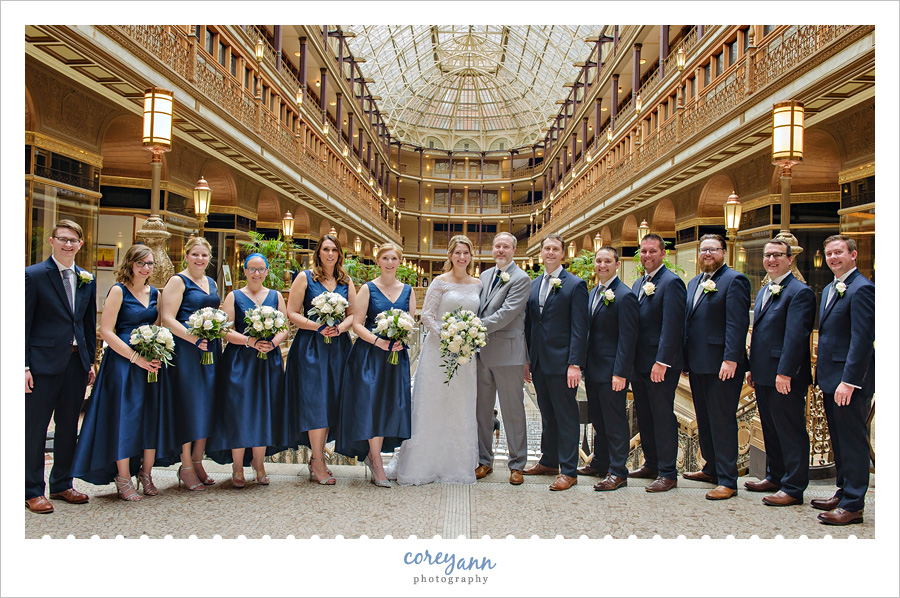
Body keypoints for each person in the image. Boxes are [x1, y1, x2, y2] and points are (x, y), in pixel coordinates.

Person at [385, 235, 482, 485]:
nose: (462, 257)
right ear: (450, 255)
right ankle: (422, 464)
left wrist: (464, 341)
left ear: (471, 256)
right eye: (458, 252)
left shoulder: (478, 284)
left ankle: (456, 465)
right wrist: (449, 337)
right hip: (438, 351)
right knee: (433, 404)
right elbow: (426, 316)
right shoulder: (439, 282)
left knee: (460, 406)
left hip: (465, 357)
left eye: (466, 253)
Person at [71, 245, 162, 501]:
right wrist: (135, 357)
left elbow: (157, 327)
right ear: (130, 264)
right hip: (122, 364)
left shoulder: (154, 292)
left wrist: (156, 353)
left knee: (149, 417)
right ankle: (122, 476)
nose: (146, 268)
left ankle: (145, 472)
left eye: (150, 264)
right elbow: (106, 331)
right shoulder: (118, 290)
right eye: (141, 263)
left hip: (149, 363)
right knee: (125, 417)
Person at [25, 219, 97, 514]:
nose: (68, 244)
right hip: (41, 364)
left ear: (80, 245)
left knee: (69, 426)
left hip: (75, 364)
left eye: (73, 240)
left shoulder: (86, 279)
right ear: (52, 241)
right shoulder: (34, 276)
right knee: (35, 428)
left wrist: (89, 361)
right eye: (63, 239)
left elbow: (87, 323)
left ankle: (62, 483)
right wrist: (23, 366)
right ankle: (31, 490)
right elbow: (23, 323)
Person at [206, 253, 291, 487]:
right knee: (238, 412)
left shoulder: (275, 296)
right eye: (251, 269)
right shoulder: (234, 296)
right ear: (244, 271)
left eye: (260, 269)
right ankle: (236, 466)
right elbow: (224, 329)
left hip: (268, 361)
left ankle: (259, 463)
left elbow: (284, 327)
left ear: (266, 271)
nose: (256, 273)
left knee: (265, 411)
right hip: (240, 362)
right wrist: (249, 341)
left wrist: (273, 343)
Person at [335, 243, 415, 487]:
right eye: (385, 258)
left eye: (394, 258)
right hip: (369, 357)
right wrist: (379, 341)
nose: (390, 262)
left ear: (399, 262)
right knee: (371, 405)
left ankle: (374, 456)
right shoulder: (368, 289)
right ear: (378, 261)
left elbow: (410, 324)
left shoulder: (408, 290)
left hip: (394, 359)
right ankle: (377, 461)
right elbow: (357, 324)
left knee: (388, 407)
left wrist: (402, 337)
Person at [745, 239, 815, 506]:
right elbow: (760, 334)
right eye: (767, 255)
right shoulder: (765, 291)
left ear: (789, 259)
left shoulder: (799, 292)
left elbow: (796, 337)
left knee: (790, 429)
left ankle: (794, 486)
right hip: (763, 373)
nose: (771, 260)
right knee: (770, 428)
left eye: (777, 255)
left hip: (784, 376)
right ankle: (775, 476)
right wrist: (752, 368)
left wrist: (784, 373)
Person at [682, 234, 750, 500]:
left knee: (721, 421)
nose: (707, 254)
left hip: (723, 365)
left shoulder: (734, 280)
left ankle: (727, 479)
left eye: (713, 249)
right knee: (705, 419)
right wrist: (686, 361)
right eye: (703, 250)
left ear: (724, 252)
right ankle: (710, 468)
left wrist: (731, 358)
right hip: (698, 364)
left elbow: (737, 323)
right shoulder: (694, 282)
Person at [813, 235, 874, 526]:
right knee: (838, 438)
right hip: (829, 377)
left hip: (849, 381)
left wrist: (849, 381)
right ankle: (842, 489)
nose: (833, 258)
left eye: (838, 252)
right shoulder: (829, 288)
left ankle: (853, 505)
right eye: (829, 254)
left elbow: (862, 340)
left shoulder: (863, 289)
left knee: (853, 441)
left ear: (853, 255)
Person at [286, 234, 356, 485]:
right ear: (318, 252)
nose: (330, 254)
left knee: (331, 401)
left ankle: (318, 457)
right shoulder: (305, 277)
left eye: (334, 250)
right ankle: (317, 459)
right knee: (315, 401)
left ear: (339, 254)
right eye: (325, 249)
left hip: (337, 347)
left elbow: (353, 316)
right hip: (310, 349)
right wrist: (316, 326)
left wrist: (340, 328)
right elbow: (291, 312)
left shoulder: (346, 281)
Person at [522, 234, 589, 491]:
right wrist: (527, 359)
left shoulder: (575, 285)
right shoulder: (534, 284)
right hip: (539, 361)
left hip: (563, 363)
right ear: (541, 253)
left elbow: (579, 328)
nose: (550, 252)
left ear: (563, 254)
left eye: (555, 249)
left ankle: (569, 470)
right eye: (546, 248)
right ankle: (548, 461)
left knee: (566, 415)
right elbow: (530, 325)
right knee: (547, 414)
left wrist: (575, 364)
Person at [158, 236, 221, 490]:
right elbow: (167, 318)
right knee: (188, 405)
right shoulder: (177, 281)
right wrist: (192, 337)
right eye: (195, 254)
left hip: (210, 348)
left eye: (204, 255)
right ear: (186, 255)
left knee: (207, 404)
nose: (200, 259)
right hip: (186, 350)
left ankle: (198, 460)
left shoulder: (212, 282)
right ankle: (185, 465)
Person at [629, 233, 686, 493]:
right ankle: (651, 463)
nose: (647, 256)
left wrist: (662, 361)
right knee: (645, 415)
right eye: (643, 252)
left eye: (652, 251)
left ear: (664, 254)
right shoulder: (638, 283)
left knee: (662, 415)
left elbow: (672, 327)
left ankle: (667, 472)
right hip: (639, 364)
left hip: (659, 365)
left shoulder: (671, 283)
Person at [475, 232, 531, 485]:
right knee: (482, 411)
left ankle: (517, 464)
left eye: (505, 246)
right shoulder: (485, 276)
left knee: (513, 412)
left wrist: (474, 326)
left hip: (509, 353)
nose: (500, 250)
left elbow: (508, 313)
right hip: (482, 353)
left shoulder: (521, 278)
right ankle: (484, 461)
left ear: (513, 251)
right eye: (497, 246)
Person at [582, 247, 639, 492]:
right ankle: (600, 461)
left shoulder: (624, 296)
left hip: (612, 371)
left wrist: (621, 373)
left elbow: (628, 338)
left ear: (617, 264)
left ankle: (618, 471)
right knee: (599, 419)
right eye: (599, 261)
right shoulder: (594, 292)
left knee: (614, 421)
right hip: (593, 369)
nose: (602, 265)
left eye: (607, 261)